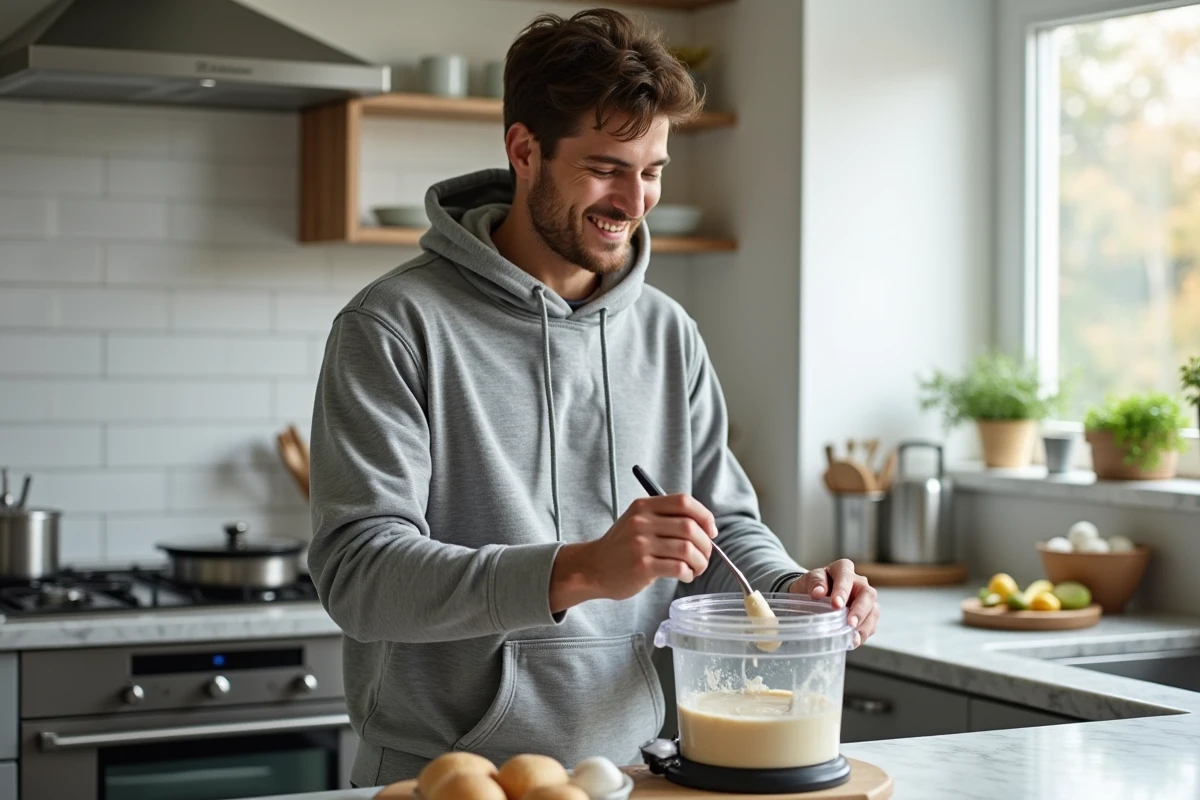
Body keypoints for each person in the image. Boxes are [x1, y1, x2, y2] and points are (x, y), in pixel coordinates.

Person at [308, 8, 879, 787]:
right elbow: (360, 577)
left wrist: (788, 589)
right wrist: (577, 570)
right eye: (607, 167)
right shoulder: (394, 327)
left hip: (631, 772)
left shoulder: (667, 333)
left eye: (652, 171)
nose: (634, 201)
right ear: (524, 151)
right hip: (448, 776)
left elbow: (720, 527)